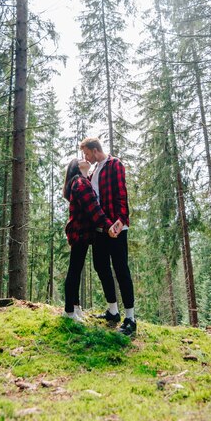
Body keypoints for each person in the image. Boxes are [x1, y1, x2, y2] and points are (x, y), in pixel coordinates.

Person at [80, 137, 136, 337]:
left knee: (121, 269)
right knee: (100, 266)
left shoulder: (115, 165)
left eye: (87, 153)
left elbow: (122, 195)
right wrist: (85, 172)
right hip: (100, 229)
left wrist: (120, 222)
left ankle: (130, 318)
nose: (86, 157)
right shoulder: (94, 171)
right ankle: (113, 311)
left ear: (95, 150)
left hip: (117, 228)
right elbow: (91, 196)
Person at [62, 158, 119, 322]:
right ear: (77, 167)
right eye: (81, 159)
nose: (85, 159)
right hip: (80, 232)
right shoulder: (80, 183)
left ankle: (75, 307)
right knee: (74, 270)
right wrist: (109, 226)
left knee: (76, 269)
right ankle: (69, 312)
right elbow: (93, 208)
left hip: (82, 233)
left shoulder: (82, 181)